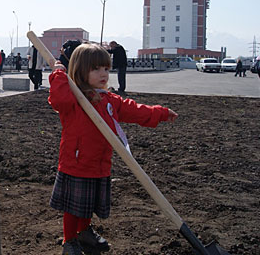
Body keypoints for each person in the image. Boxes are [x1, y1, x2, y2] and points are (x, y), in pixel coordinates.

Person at [48, 43, 178, 255]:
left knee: (88, 204)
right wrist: (58, 74)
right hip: (76, 163)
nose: (103, 74)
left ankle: (84, 232)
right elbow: (59, 99)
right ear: (81, 70)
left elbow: (134, 110)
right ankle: (69, 240)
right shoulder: (74, 100)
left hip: (100, 163)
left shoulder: (109, 100)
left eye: (106, 69)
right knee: (73, 208)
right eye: (96, 69)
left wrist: (161, 113)